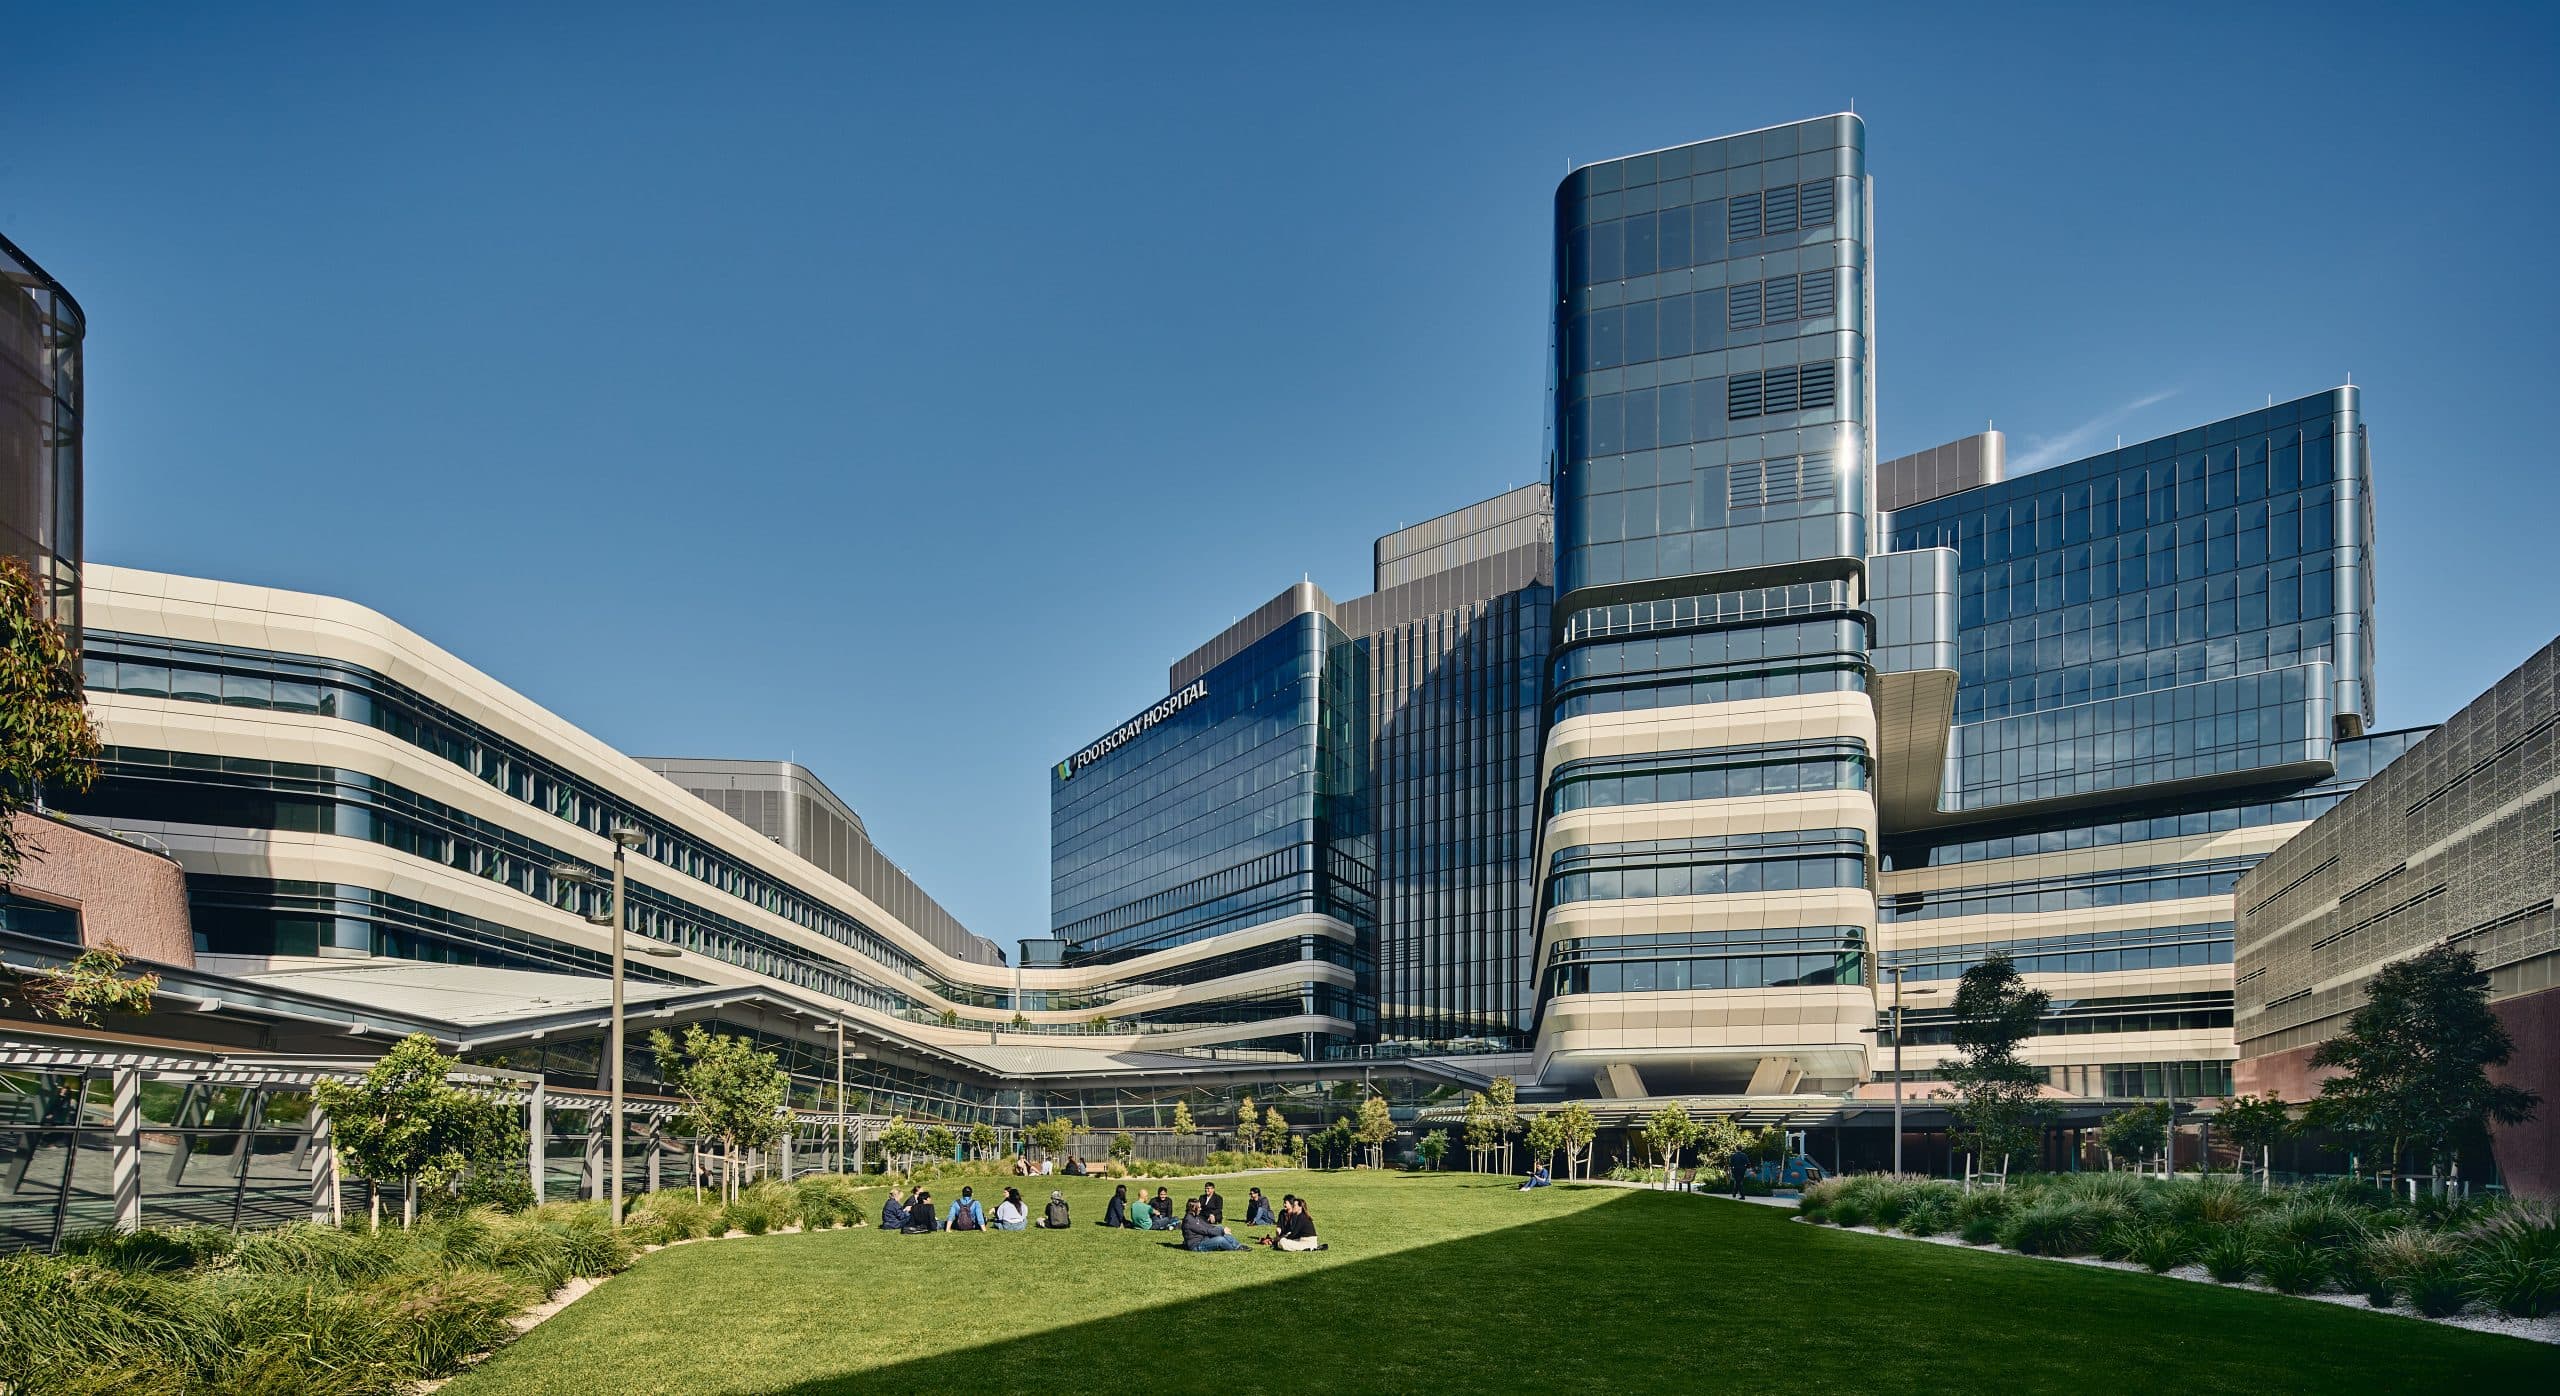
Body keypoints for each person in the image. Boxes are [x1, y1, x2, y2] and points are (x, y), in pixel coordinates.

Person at [1178, 1198, 1243, 1252]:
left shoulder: (1195, 1217)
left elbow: (1207, 1225)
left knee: (1220, 1228)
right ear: (1193, 1208)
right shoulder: (1189, 1220)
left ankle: (1238, 1246)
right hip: (1196, 1246)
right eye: (1199, 1207)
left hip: (1203, 1239)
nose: (1200, 1209)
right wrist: (1222, 1231)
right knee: (1220, 1240)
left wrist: (1221, 1229)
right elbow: (1205, 1230)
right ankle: (1234, 1249)